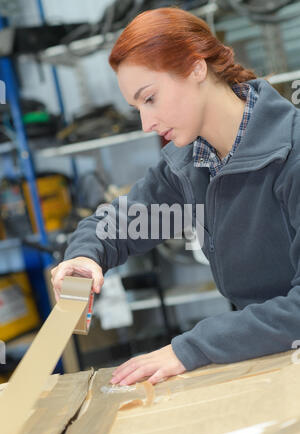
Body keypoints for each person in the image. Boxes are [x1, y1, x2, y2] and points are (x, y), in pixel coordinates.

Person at [51, 7, 300, 387]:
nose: (146, 123)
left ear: (196, 68)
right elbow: (123, 223)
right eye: (136, 108)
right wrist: (85, 255)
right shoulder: (193, 164)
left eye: (149, 99)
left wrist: (191, 347)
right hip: (269, 357)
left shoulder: (291, 153)